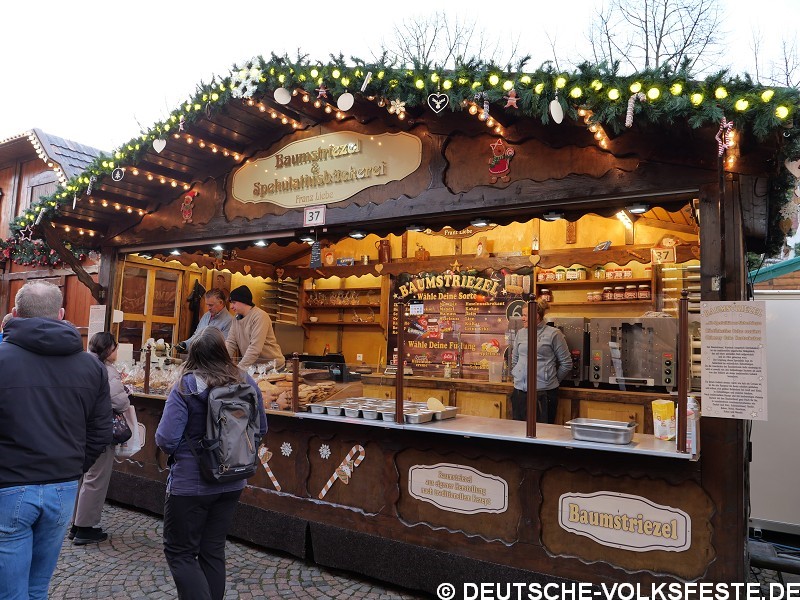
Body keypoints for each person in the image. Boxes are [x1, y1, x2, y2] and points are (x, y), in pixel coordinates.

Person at [0, 281, 111, 599]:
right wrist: (73, 466)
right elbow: (101, 431)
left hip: (10, 483)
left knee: (12, 591)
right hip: (62, 485)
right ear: (61, 314)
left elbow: (100, 431)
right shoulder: (91, 366)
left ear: (15, 313)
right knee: (37, 588)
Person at [155, 327, 267, 600]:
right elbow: (261, 428)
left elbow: (166, 439)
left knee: (180, 552)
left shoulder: (186, 386)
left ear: (194, 354)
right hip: (233, 479)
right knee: (213, 550)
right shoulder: (245, 381)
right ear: (222, 351)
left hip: (190, 484)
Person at [70, 332, 131, 545]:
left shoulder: (81, 363)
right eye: (115, 347)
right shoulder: (107, 370)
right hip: (99, 430)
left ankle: (76, 524)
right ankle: (85, 528)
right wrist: (126, 393)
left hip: (81, 428)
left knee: (82, 477)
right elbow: (120, 402)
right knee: (96, 478)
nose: (117, 351)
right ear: (108, 349)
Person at [510, 298, 572, 424]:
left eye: (525, 315)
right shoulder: (520, 333)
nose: (522, 318)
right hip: (520, 392)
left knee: (543, 431)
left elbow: (566, 363)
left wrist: (550, 380)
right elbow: (515, 359)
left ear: (536, 315)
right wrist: (516, 375)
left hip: (544, 394)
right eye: (522, 315)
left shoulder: (554, 334)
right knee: (518, 430)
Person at [225, 285, 285, 370]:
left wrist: (239, 369)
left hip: (273, 368)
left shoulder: (260, 316)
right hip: (254, 368)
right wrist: (220, 364)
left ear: (244, 301)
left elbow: (255, 348)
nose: (231, 306)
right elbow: (230, 343)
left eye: (234, 302)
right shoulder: (236, 318)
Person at [175, 288, 233, 353]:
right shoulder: (206, 316)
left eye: (211, 305)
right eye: (207, 305)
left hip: (214, 358)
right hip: (199, 356)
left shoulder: (229, 321)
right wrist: (185, 344)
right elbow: (196, 336)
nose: (208, 308)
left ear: (221, 302)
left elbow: (223, 347)